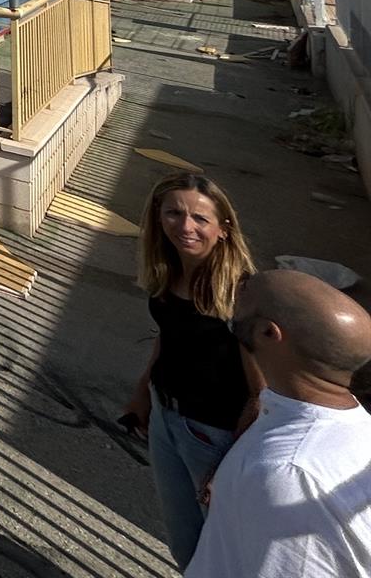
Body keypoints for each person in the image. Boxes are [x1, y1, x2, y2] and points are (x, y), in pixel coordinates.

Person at [186, 268, 371, 577]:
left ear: (269, 333)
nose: (233, 295)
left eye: (245, 291)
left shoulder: (288, 475)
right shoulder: (338, 422)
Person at [121, 173, 258, 569]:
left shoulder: (239, 291)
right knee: (185, 545)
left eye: (200, 218)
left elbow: (260, 392)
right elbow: (169, 335)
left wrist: (230, 468)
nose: (185, 227)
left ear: (224, 229)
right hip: (166, 418)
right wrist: (143, 391)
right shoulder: (169, 273)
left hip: (212, 434)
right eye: (174, 214)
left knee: (222, 550)